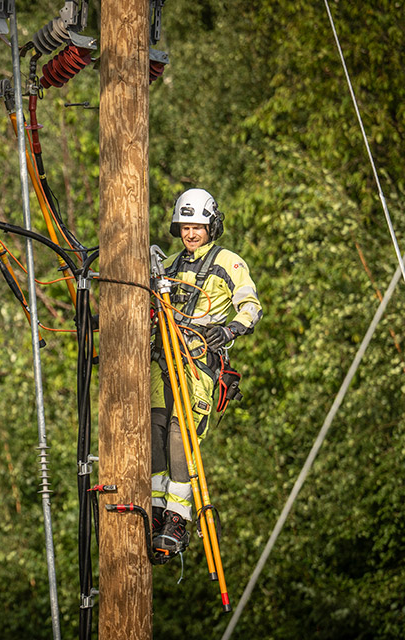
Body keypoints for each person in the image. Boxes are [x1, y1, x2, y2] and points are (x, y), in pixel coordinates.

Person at [150, 187, 263, 561]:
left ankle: (177, 517)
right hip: (162, 359)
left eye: (198, 226)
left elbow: (251, 305)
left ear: (212, 226)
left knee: (183, 434)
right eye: (185, 227)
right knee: (154, 426)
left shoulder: (227, 261)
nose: (191, 233)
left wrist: (230, 330)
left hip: (199, 363)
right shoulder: (167, 267)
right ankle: (153, 507)